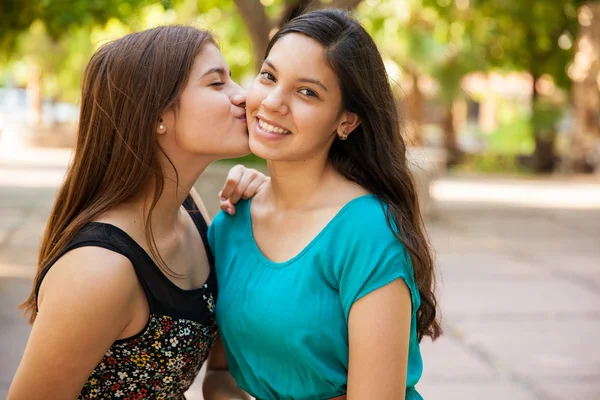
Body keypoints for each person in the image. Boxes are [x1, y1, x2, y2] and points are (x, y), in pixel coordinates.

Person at [8, 26, 268, 399]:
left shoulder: (188, 208)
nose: (243, 96)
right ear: (157, 115)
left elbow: (221, 368)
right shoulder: (99, 268)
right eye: (217, 83)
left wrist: (271, 200)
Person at [205, 9, 442, 400]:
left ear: (346, 121)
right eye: (269, 76)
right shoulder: (231, 221)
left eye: (307, 92)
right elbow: (221, 373)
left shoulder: (367, 231)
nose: (274, 102)